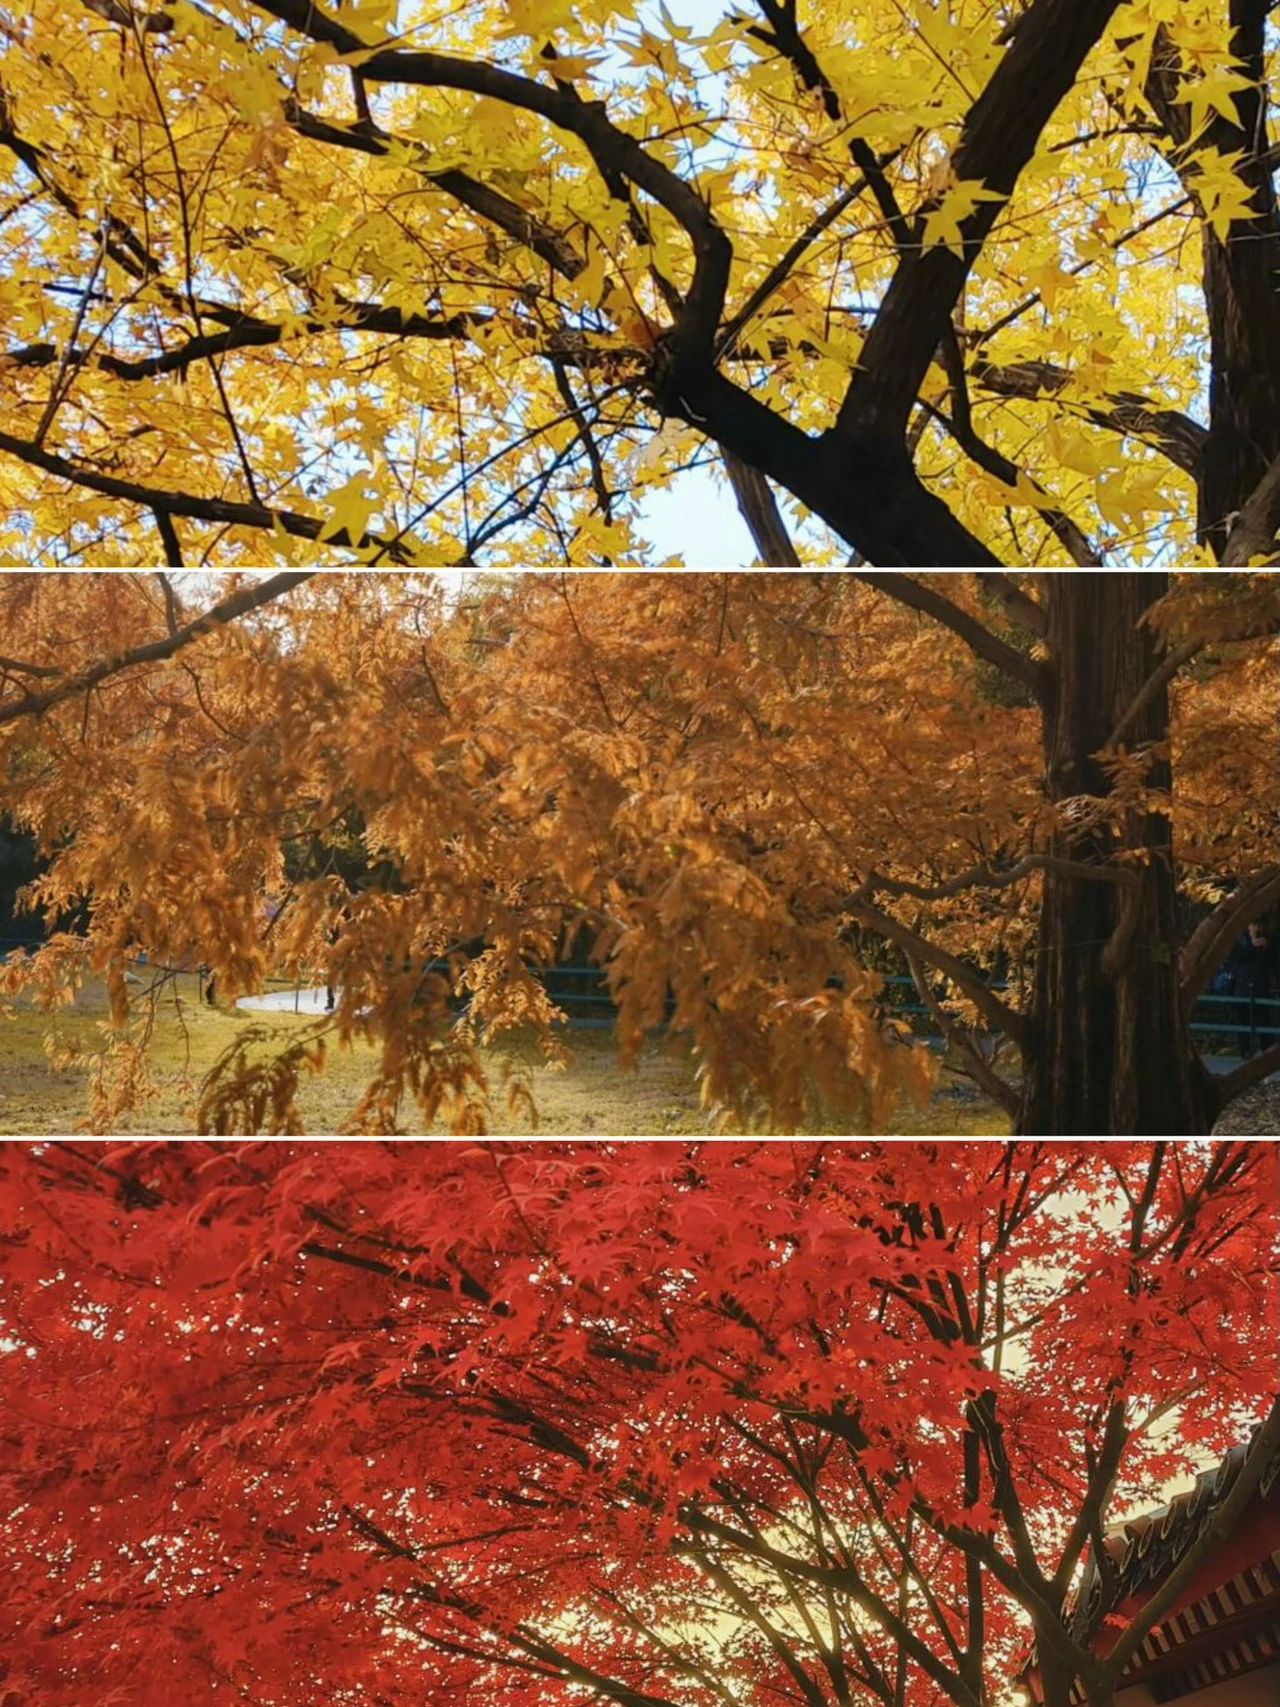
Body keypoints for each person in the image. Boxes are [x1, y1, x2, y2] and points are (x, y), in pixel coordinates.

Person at [1223, 920, 1279, 1055]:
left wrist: (1265, 947)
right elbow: (1235, 959)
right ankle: (1246, 1051)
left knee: (1263, 1020)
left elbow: (1271, 962)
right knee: (1243, 1022)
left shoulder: (1267, 943)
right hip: (1241, 988)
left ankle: (1266, 1051)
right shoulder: (1240, 942)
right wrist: (1252, 944)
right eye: (1254, 925)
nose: (1257, 928)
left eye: (1259, 925)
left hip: (1260, 988)